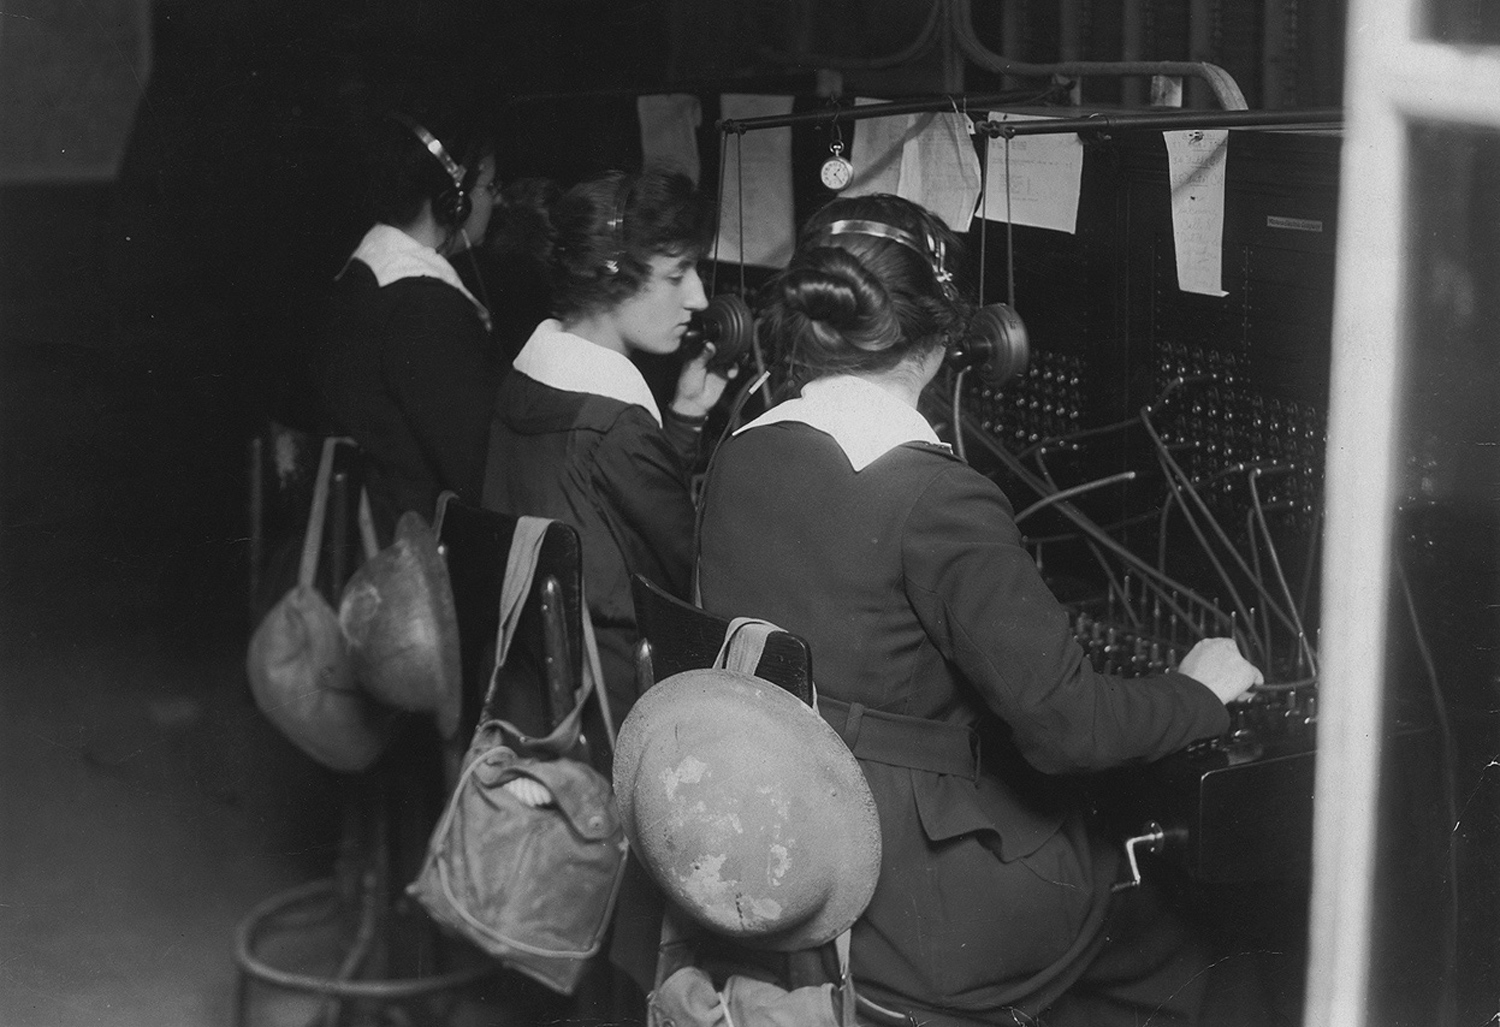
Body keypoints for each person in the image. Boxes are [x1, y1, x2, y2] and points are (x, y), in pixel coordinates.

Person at [696, 193, 1268, 1027]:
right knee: (1218, 945)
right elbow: (1068, 727)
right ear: (948, 341)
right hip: (915, 912)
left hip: (778, 859)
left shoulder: (738, 455)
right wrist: (1199, 692)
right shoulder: (940, 498)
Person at [481, 166, 732, 728]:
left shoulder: (523, 385)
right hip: (616, 712)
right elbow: (690, 574)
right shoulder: (615, 427)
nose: (698, 297)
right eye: (677, 274)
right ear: (612, 275)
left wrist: (685, 418)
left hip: (532, 695)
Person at [317, 107, 502, 541]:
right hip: (420, 560)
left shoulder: (363, 276)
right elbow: (481, 474)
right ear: (454, 200)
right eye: (491, 186)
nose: (498, 200)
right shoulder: (424, 308)